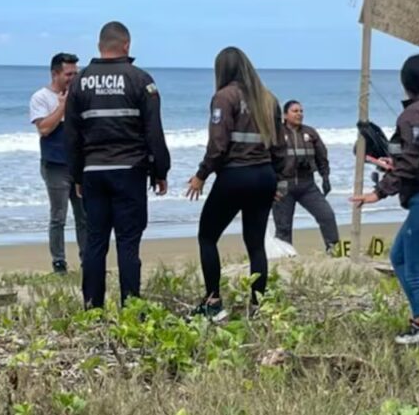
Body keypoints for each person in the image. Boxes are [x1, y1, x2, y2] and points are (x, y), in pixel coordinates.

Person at [350, 54, 419, 350]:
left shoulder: (413, 114)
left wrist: (378, 193)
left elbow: (411, 162)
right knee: (399, 257)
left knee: (418, 276)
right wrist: (394, 163)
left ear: (406, 82)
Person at [64, 22, 170, 308]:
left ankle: (92, 307)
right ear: (127, 45)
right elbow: (153, 131)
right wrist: (160, 170)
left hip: (93, 172)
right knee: (128, 242)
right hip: (130, 171)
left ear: (100, 46)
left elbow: (71, 135)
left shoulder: (79, 81)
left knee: (95, 242)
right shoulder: (140, 79)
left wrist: (76, 175)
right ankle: (131, 307)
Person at [186, 47, 285, 320]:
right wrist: (277, 181)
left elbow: (218, 145)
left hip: (235, 176)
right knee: (255, 244)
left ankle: (213, 302)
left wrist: (201, 175)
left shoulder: (224, 96)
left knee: (207, 236)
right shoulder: (269, 99)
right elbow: (280, 147)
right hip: (263, 175)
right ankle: (258, 306)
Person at [30, 52, 88, 274]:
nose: (73, 77)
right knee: (58, 216)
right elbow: (44, 129)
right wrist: (63, 106)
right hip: (55, 165)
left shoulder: (81, 95)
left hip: (79, 165)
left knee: (85, 216)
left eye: (76, 73)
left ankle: (87, 259)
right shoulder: (41, 98)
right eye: (68, 74)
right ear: (55, 74)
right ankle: (59, 262)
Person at [272, 100, 339, 253]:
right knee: (283, 228)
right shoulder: (276, 134)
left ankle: (334, 252)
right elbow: (266, 158)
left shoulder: (310, 133)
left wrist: (325, 177)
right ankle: (286, 259)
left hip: (307, 185)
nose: (299, 114)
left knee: (327, 215)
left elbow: (322, 156)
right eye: (295, 111)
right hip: (283, 187)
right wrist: (269, 184)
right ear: (284, 115)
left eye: (301, 111)